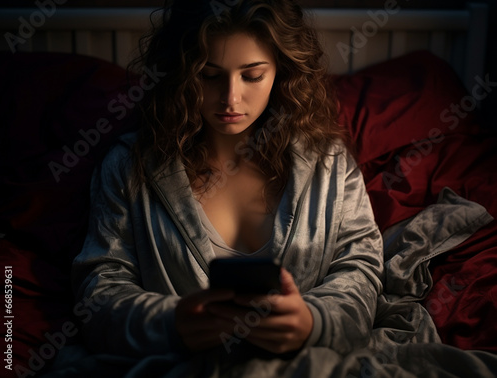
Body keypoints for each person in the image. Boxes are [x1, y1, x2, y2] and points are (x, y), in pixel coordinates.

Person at [70, 0, 385, 375]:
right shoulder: (130, 167)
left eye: (252, 76)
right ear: (182, 73)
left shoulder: (327, 163)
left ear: (281, 73)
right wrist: (171, 323)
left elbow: (360, 268)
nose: (230, 99)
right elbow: (100, 288)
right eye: (209, 74)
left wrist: (314, 322)